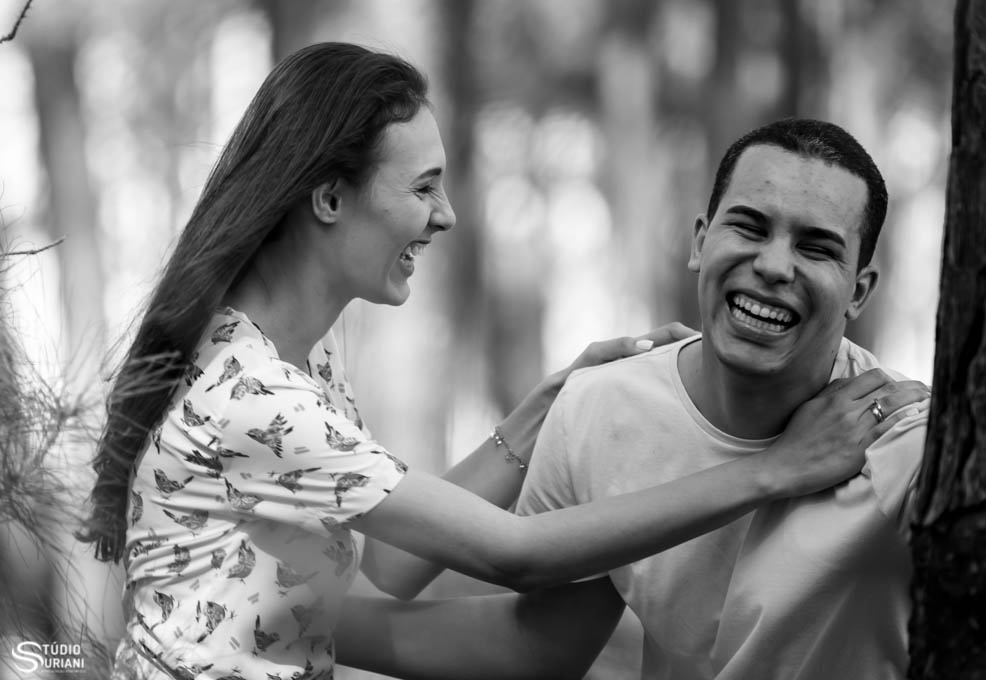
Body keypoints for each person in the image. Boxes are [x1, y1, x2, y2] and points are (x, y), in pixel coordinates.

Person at [78, 43, 926, 680]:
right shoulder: (254, 397)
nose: (446, 216)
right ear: (329, 198)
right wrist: (773, 470)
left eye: (814, 247)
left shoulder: (296, 360)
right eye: (422, 188)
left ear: (860, 285)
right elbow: (516, 557)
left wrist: (540, 413)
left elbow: (376, 571)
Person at [332, 118, 931, 680]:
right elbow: (538, 644)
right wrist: (282, 622)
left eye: (817, 248)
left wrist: (278, 617)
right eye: (749, 226)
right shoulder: (601, 408)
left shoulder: (905, 447)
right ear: (701, 241)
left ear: (860, 290)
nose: (774, 265)